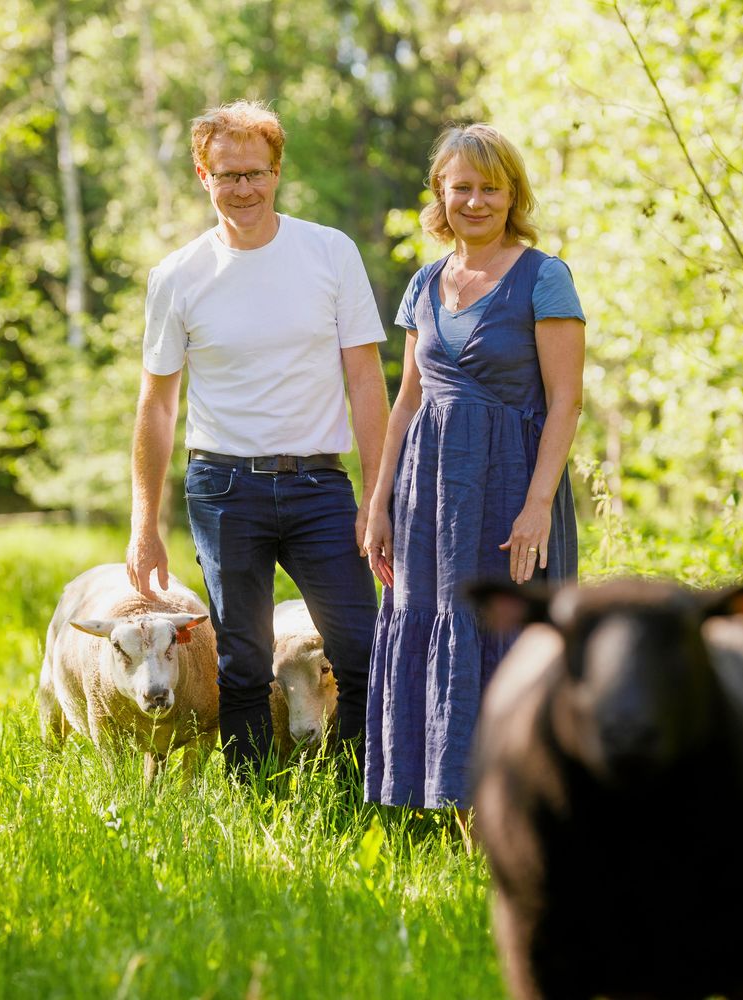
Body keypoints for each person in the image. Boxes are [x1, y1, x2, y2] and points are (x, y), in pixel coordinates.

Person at [126, 100, 389, 773]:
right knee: (241, 664)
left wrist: (378, 494)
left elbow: (366, 381)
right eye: (227, 175)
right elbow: (157, 407)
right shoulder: (178, 276)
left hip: (320, 485)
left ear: (277, 172)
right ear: (202, 175)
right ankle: (256, 807)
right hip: (223, 488)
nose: (243, 188)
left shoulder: (330, 252)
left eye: (256, 173)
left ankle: (345, 794)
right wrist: (143, 524)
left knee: (361, 650)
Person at [362, 123, 585, 829]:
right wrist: (379, 504)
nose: (477, 200)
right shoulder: (424, 283)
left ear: (512, 192)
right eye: (463, 187)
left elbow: (567, 399)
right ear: (441, 193)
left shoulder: (543, 276)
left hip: (510, 486)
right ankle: (453, 816)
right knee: (432, 627)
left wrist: (538, 504)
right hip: (429, 495)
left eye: (491, 187)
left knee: (510, 636)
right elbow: (406, 403)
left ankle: (525, 815)